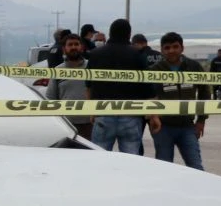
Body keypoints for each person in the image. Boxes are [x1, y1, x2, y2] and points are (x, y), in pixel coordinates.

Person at [85, 19, 161, 154]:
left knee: (99, 160)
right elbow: (148, 87)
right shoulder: (137, 55)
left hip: (103, 113)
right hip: (130, 115)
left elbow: (89, 85)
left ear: (110, 32)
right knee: (130, 161)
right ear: (129, 34)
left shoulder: (96, 54)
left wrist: (91, 110)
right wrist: (154, 115)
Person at [149, 31, 209, 169]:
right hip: (163, 128)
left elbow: (204, 92)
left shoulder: (193, 67)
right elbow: (148, 95)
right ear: (162, 50)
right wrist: (153, 116)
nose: (171, 51)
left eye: (175, 47)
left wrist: (201, 120)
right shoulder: (154, 70)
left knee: (196, 167)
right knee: (164, 168)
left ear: (182, 48)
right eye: (167, 48)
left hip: (188, 126)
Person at [45, 32, 92, 138]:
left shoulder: (92, 67)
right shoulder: (58, 70)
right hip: (66, 124)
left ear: (82, 47)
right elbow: (51, 97)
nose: (73, 47)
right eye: (70, 45)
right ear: (64, 49)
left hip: (89, 123)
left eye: (76, 44)